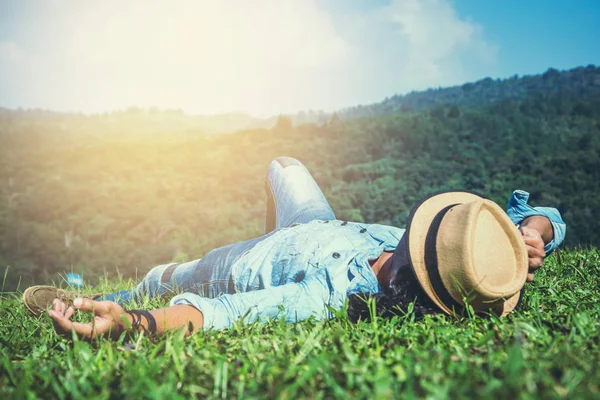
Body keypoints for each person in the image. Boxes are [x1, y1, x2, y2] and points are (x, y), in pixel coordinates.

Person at [23, 157, 566, 340]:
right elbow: (542, 214)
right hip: (318, 225)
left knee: (160, 275)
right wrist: (531, 237)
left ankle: (100, 300)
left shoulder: (330, 295)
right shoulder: (444, 250)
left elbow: (223, 312)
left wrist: (136, 323)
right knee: (283, 166)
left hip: (233, 269)